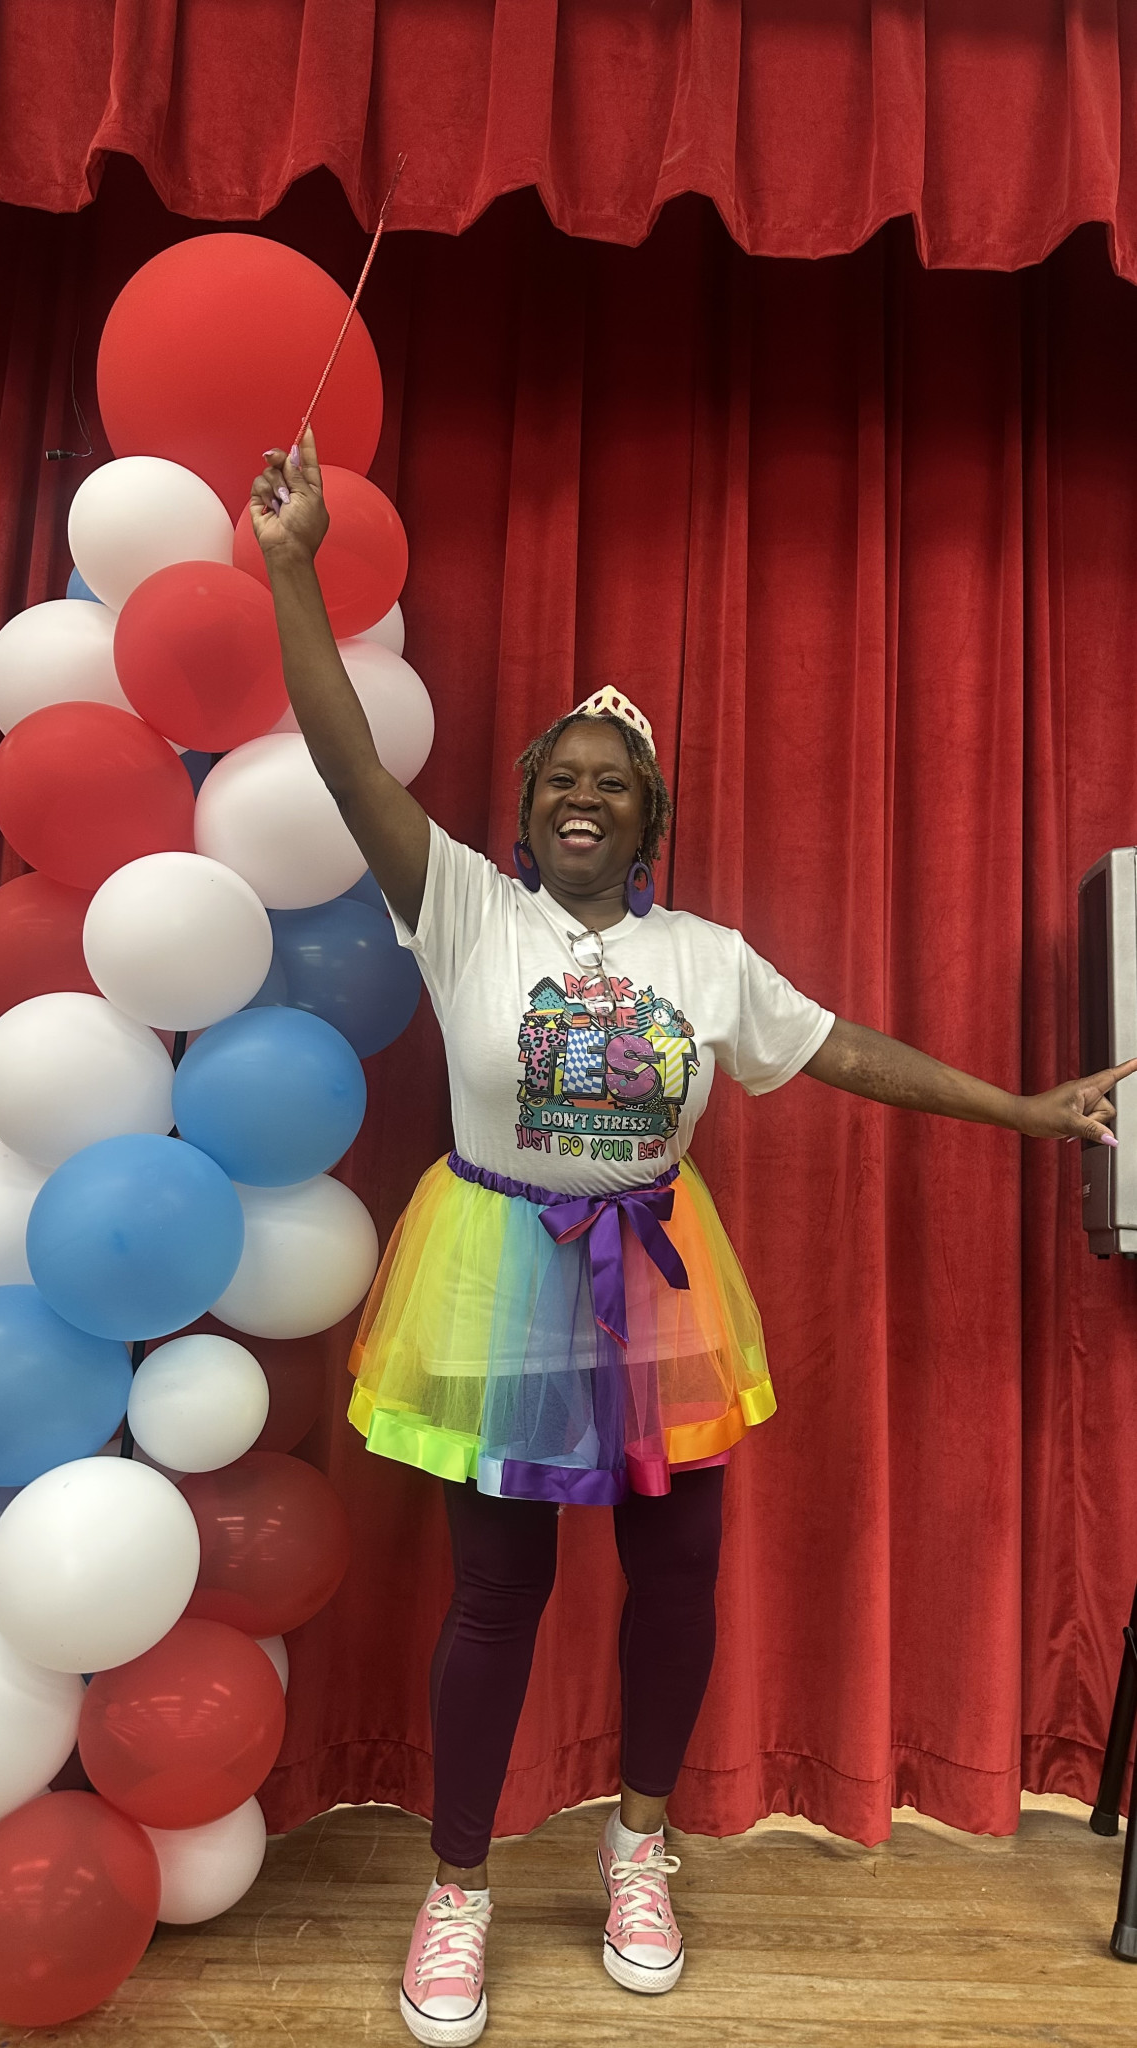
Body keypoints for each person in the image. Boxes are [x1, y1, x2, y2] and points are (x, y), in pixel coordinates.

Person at [251, 432, 1132, 2047]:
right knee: (498, 1593)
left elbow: (845, 1049)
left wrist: (1021, 1108)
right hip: (497, 1269)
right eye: (561, 779)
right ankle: (458, 1889)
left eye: (614, 782)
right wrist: (293, 567)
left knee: (677, 1579)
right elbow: (343, 754)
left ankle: (640, 1850)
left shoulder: (706, 957)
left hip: (656, 1283)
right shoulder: (463, 906)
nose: (583, 795)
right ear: (525, 813)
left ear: (647, 818)